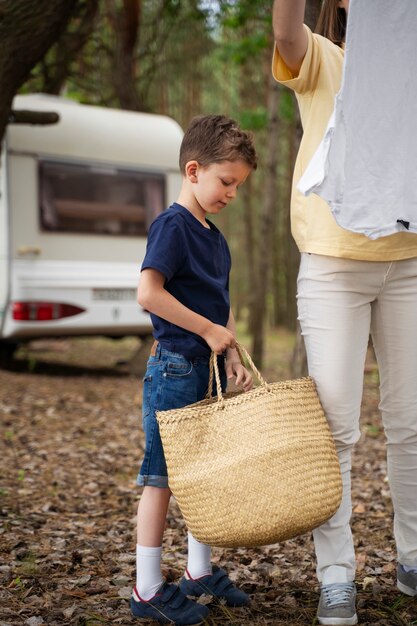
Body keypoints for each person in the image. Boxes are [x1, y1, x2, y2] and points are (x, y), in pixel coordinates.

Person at [272, 1, 417, 625]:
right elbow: (283, 30)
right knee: (336, 429)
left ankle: (413, 559)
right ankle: (337, 576)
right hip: (333, 265)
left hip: (410, 260)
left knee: (410, 423)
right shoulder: (326, 60)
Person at [131, 114, 257, 625]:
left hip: (208, 370)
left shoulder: (217, 240)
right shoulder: (172, 226)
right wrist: (207, 333)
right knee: (161, 478)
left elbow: (219, 307)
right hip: (175, 369)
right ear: (193, 169)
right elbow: (149, 293)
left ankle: (198, 573)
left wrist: (229, 352)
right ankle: (146, 589)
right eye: (226, 182)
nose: (231, 193)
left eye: (238, 186)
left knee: (204, 475)